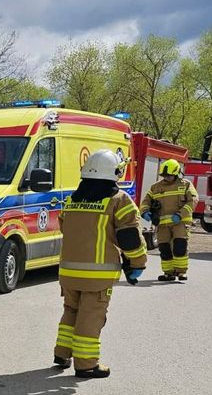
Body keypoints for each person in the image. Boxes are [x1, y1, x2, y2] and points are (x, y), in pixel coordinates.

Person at [53, 149, 147, 378]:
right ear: (114, 172)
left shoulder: (72, 199)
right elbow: (129, 237)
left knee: (71, 312)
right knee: (90, 317)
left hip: (68, 272)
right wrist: (138, 263)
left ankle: (62, 353)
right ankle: (86, 364)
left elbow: (65, 228)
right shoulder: (118, 200)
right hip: (97, 276)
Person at [141, 159, 198, 281]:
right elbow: (146, 200)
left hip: (180, 222)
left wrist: (180, 214)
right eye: (165, 176)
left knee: (180, 246)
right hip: (162, 224)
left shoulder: (185, 184)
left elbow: (192, 201)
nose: (167, 178)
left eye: (170, 176)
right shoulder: (156, 187)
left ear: (177, 173)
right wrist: (145, 212)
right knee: (164, 248)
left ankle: (181, 272)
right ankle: (168, 272)